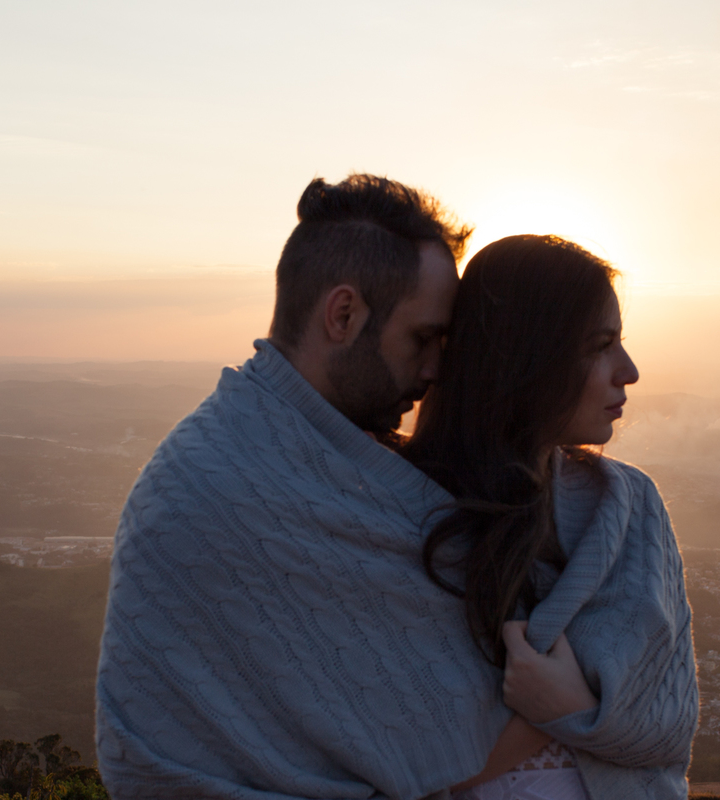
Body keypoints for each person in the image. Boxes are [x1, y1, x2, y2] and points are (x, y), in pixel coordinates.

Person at [96, 174, 531, 800]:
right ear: (344, 315)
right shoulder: (205, 484)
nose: (436, 369)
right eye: (423, 338)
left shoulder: (267, 458)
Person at [403, 234, 700, 799]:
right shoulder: (393, 516)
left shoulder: (632, 510)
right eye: (600, 345)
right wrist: (553, 714)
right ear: (524, 356)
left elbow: (668, 727)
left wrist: (573, 710)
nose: (629, 370)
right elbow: (373, 756)